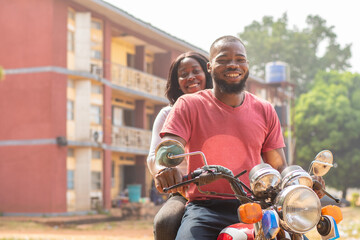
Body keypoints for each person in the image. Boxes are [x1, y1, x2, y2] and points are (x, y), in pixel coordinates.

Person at [156, 36, 324, 239]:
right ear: (210, 67)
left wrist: (304, 183)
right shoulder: (189, 104)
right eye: (224, 60)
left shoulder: (265, 109)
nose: (233, 65)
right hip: (205, 208)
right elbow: (170, 146)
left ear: (247, 65)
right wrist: (167, 165)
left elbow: (278, 166)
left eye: (240, 59)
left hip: (258, 206)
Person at [147, 51, 213, 240]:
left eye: (195, 71)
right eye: (183, 74)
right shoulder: (168, 113)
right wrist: (164, 171)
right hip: (185, 191)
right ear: (177, 82)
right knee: (165, 222)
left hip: (226, 188)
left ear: (207, 74)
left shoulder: (221, 108)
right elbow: (154, 156)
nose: (190, 77)